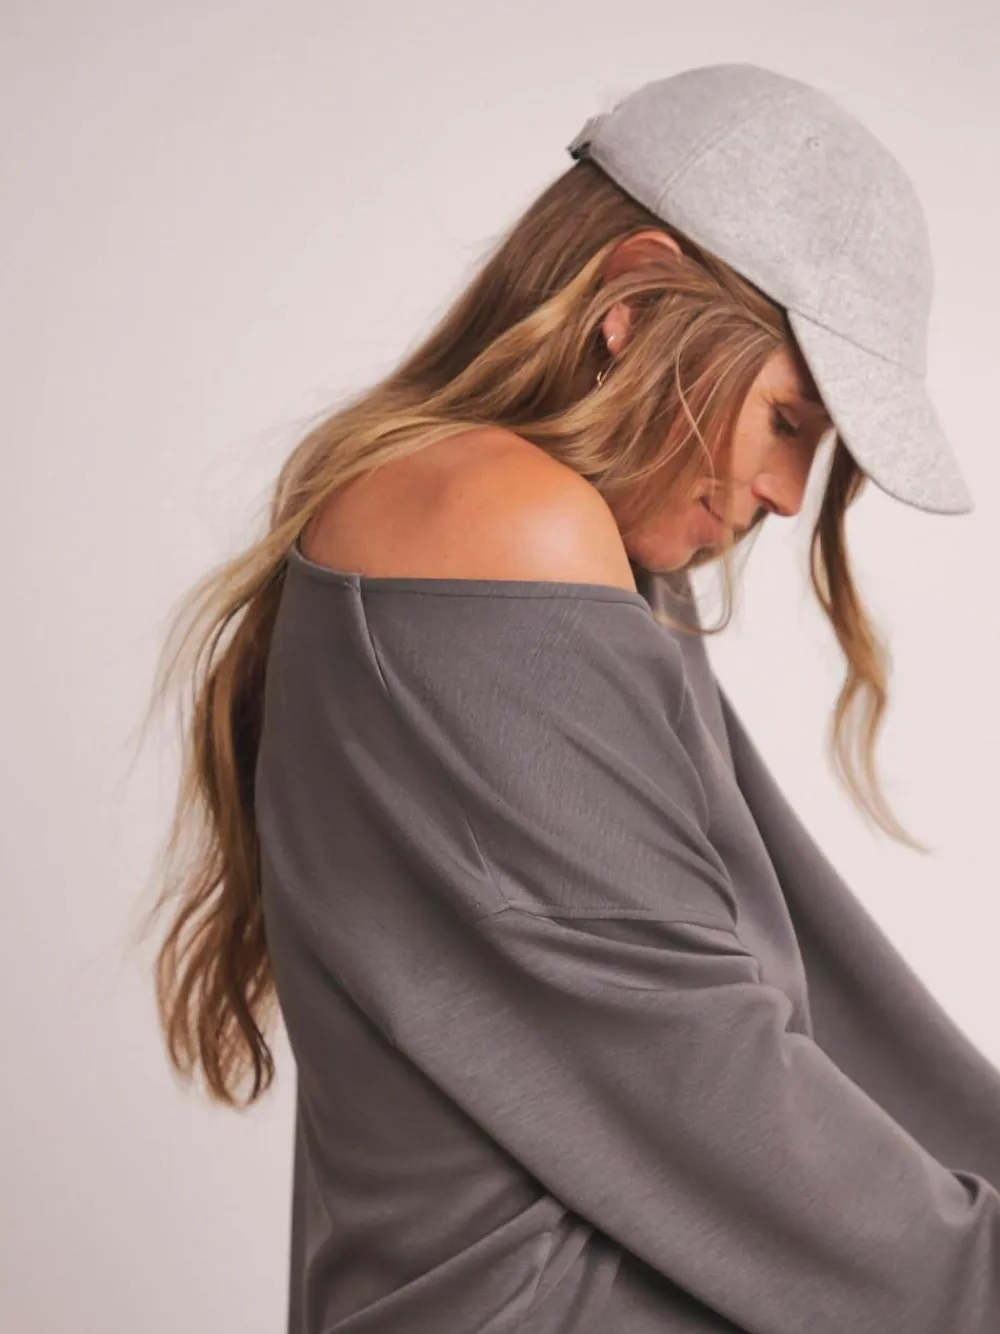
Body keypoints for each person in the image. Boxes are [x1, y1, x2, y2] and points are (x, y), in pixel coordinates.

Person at [138, 64, 1000, 1332]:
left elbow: (773, 998)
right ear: (634, 300)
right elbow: (704, 1075)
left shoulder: (515, 542)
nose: (784, 495)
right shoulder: (505, 523)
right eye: (789, 421)